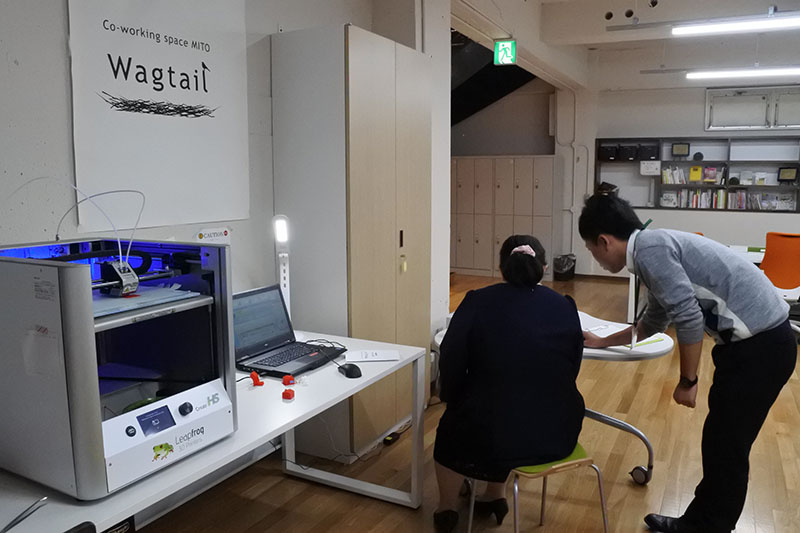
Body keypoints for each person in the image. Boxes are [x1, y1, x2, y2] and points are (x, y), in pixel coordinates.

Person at [578, 194, 795, 533]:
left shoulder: (650, 251)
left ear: (604, 241)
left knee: (727, 446)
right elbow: (654, 321)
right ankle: (700, 523)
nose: (596, 259)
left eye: (592, 250)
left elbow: (689, 318)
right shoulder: (651, 247)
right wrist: (601, 340)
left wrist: (688, 381)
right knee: (721, 441)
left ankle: (708, 525)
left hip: (760, 348)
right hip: (756, 345)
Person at [433, 235, 585, 532]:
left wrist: (452, 396)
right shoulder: (565, 305)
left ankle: (447, 508)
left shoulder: (478, 301)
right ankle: (495, 495)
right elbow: (572, 366)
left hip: (491, 430)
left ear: (501, 267)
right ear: (543, 268)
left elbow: (451, 355)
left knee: (458, 428)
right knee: (510, 411)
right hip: (557, 432)